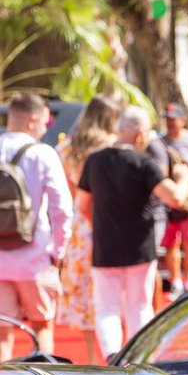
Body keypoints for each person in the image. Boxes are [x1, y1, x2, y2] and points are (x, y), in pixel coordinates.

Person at [0, 92, 76, 360]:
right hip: (36, 260)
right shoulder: (43, 155)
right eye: (46, 122)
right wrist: (58, 253)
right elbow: (62, 210)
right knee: (42, 327)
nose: (47, 127)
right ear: (33, 120)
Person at [78, 105, 186, 356]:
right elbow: (175, 198)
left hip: (105, 245)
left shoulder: (94, 161)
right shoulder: (143, 162)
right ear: (138, 134)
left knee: (107, 308)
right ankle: (139, 357)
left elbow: (82, 205)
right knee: (139, 305)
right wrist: (184, 178)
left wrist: (99, 223)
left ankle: (112, 356)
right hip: (140, 245)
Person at [54, 97, 119, 344]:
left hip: (79, 225)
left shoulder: (68, 148)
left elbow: (69, 190)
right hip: (107, 220)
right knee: (111, 293)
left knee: (86, 297)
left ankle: (93, 356)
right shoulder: (112, 147)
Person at [156, 102, 188, 288]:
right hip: (168, 199)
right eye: (167, 120)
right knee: (170, 243)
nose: (170, 123)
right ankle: (176, 281)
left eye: (174, 119)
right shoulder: (160, 143)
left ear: (183, 120)